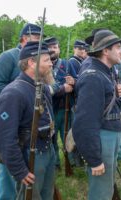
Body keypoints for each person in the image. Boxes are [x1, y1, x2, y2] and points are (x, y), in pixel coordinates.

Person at [0, 41, 55, 199]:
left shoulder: (41, 87)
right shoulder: (13, 93)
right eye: (46, 60)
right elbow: (4, 137)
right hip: (29, 156)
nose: (51, 64)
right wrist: (19, 170)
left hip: (47, 151)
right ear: (31, 62)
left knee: (46, 195)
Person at [72, 29, 121, 200]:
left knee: (107, 188)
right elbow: (85, 123)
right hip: (102, 139)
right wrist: (94, 159)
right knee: (101, 193)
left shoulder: (104, 71)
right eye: (118, 47)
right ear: (105, 50)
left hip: (109, 134)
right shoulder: (93, 76)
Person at [44, 36, 76, 169]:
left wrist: (73, 82)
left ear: (59, 49)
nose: (52, 50)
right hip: (50, 109)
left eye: (55, 47)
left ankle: (72, 161)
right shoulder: (43, 66)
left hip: (65, 108)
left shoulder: (67, 64)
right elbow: (46, 89)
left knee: (68, 136)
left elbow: (76, 81)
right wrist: (64, 88)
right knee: (51, 139)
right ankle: (55, 163)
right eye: (49, 47)